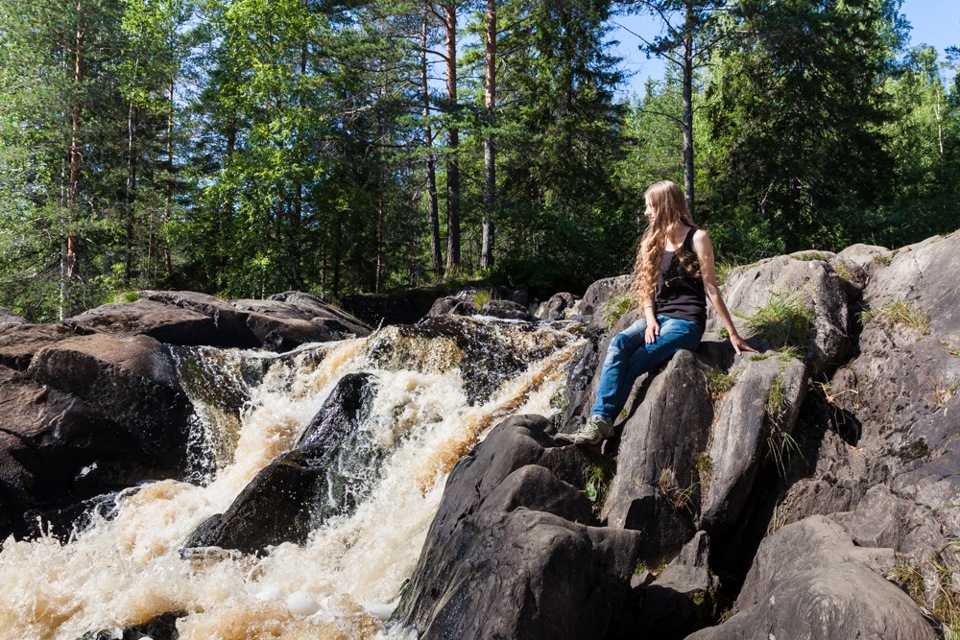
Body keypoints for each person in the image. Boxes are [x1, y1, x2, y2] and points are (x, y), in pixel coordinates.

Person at [556, 180, 755, 446]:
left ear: (665, 205)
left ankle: (602, 424)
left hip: (686, 324)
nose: (646, 212)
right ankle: (600, 421)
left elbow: (711, 288)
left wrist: (733, 333)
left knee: (636, 360)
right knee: (618, 344)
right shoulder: (652, 240)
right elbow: (646, 288)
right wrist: (649, 320)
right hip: (658, 318)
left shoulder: (698, 238)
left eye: (650, 206)